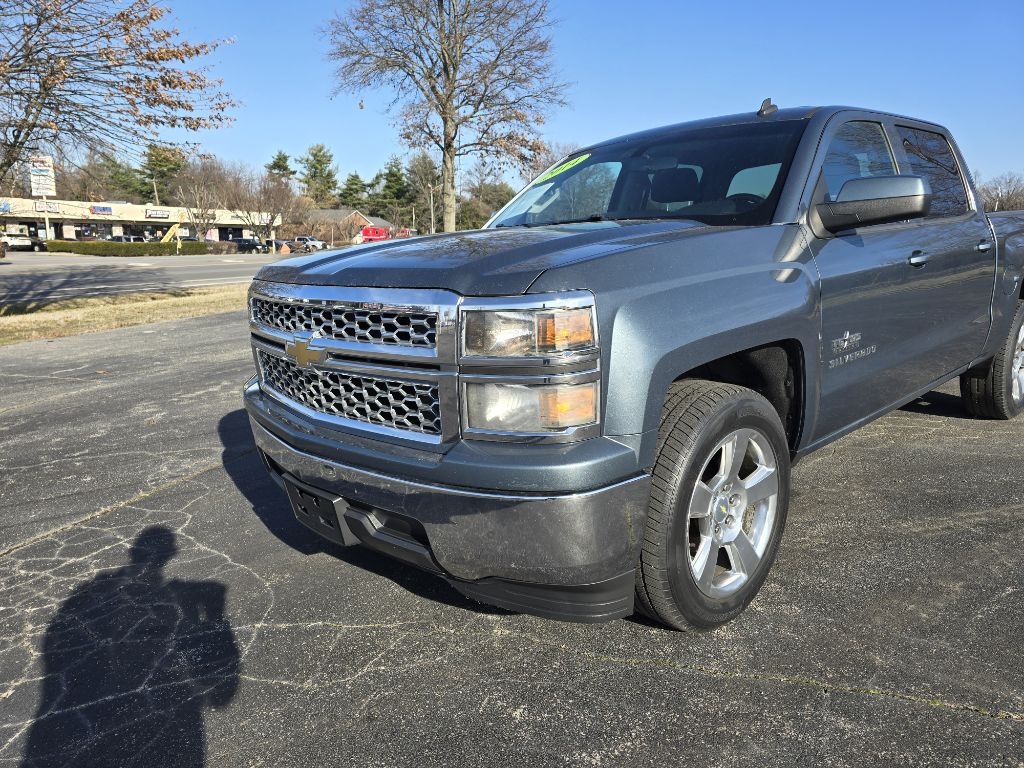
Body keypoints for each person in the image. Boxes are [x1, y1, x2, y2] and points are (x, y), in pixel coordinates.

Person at [20, 527, 240, 768]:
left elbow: (55, 648)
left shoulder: (89, 591)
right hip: (142, 698)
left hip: (89, 706)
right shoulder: (100, 592)